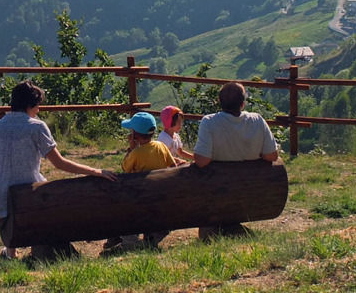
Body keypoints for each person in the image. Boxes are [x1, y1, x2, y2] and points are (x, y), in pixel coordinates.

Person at [0, 81, 117, 260]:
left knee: (16, 203)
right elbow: (59, 163)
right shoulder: (36, 127)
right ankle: (37, 248)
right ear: (31, 105)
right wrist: (95, 171)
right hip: (25, 195)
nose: (39, 110)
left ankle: (11, 252)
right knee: (42, 194)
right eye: (38, 106)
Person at [192, 82, 279, 239]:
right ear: (243, 103)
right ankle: (231, 228)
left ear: (219, 102)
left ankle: (216, 228)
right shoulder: (257, 120)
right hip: (250, 193)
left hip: (217, 194)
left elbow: (202, 161)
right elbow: (272, 155)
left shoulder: (209, 122)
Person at [102, 112, 177, 251]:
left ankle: (128, 242)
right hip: (160, 198)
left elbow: (125, 168)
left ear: (135, 135)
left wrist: (131, 148)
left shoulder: (136, 153)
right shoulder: (161, 146)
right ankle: (150, 239)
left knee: (125, 214)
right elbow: (173, 167)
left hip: (138, 198)